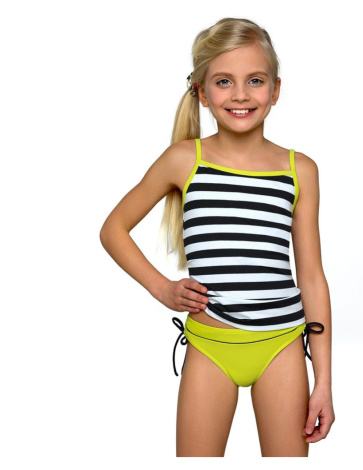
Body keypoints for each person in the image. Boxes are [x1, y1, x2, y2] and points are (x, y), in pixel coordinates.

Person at [100, 17, 334, 457]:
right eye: (224, 81)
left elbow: (312, 277)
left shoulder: (299, 169)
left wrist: (323, 382)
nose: (241, 94)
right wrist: (162, 288)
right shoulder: (183, 159)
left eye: (255, 80)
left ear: (275, 90)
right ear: (203, 93)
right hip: (210, 346)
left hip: (282, 345)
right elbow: (113, 229)